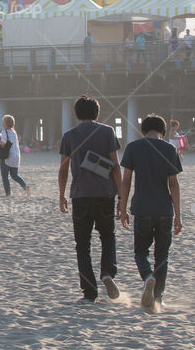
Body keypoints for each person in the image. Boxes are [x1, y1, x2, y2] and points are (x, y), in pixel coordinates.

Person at [58, 94, 125, 303]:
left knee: (82, 244)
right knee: (108, 237)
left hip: (80, 194)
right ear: (97, 113)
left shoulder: (69, 135)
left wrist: (61, 195)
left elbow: (63, 170)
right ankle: (107, 273)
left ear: (77, 113)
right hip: (105, 193)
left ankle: (89, 291)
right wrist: (122, 197)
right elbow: (115, 167)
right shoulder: (107, 132)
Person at [118, 114, 183, 310]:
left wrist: (122, 208)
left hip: (142, 208)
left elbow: (126, 181)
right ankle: (158, 298)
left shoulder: (133, 148)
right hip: (164, 209)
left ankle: (148, 277)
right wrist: (178, 215)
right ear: (162, 131)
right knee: (162, 255)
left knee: (140, 251)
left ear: (144, 130)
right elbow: (174, 184)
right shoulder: (169, 149)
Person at [0, 115, 30, 197]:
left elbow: (4, 143)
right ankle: (25, 187)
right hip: (17, 156)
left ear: (6, 123)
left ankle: (8, 194)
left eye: (3, 122)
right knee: (14, 175)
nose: (2, 123)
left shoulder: (5, 131)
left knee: (5, 176)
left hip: (8, 156)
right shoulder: (13, 131)